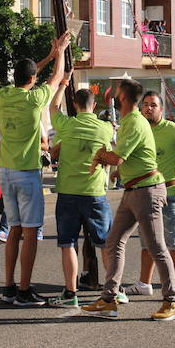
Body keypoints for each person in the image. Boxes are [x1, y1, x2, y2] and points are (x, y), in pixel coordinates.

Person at [80, 79, 175, 322]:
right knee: (113, 241)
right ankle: (108, 299)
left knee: (157, 247)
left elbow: (116, 157)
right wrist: (110, 161)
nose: (112, 97)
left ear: (123, 98)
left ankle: (173, 300)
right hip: (133, 190)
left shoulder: (135, 122)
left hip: (147, 191)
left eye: (116, 94)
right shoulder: (128, 121)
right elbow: (122, 158)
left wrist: (102, 155)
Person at [0, 31, 71, 307]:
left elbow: (31, 75)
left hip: (4, 172)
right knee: (30, 233)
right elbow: (54, 78)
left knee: (13, 230)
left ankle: (8, 286)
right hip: (26, 174)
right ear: (32, 80)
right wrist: (59, 53)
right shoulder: (34, 99)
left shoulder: (3, 95)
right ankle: (24, 291)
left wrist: (47, 57)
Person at [124, 91, 175, 305]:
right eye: (146, 105)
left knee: (174, 243)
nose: (148, 108)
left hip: (170, 195)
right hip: (145, 195)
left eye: (153, 105)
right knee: (147, 244)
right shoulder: (139, 129)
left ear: (161, 109)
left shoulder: (172, 130)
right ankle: (144, 284)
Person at [45, 79, 115, 308]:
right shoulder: (105, 127)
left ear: (74, 105)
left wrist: (63, 84)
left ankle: (70, 293)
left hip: (68, 192)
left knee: (68, 243)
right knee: (105, 243)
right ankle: (113, 289)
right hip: (95, 192)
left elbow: (52, 107)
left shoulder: (67, 125)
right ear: (94, 107)